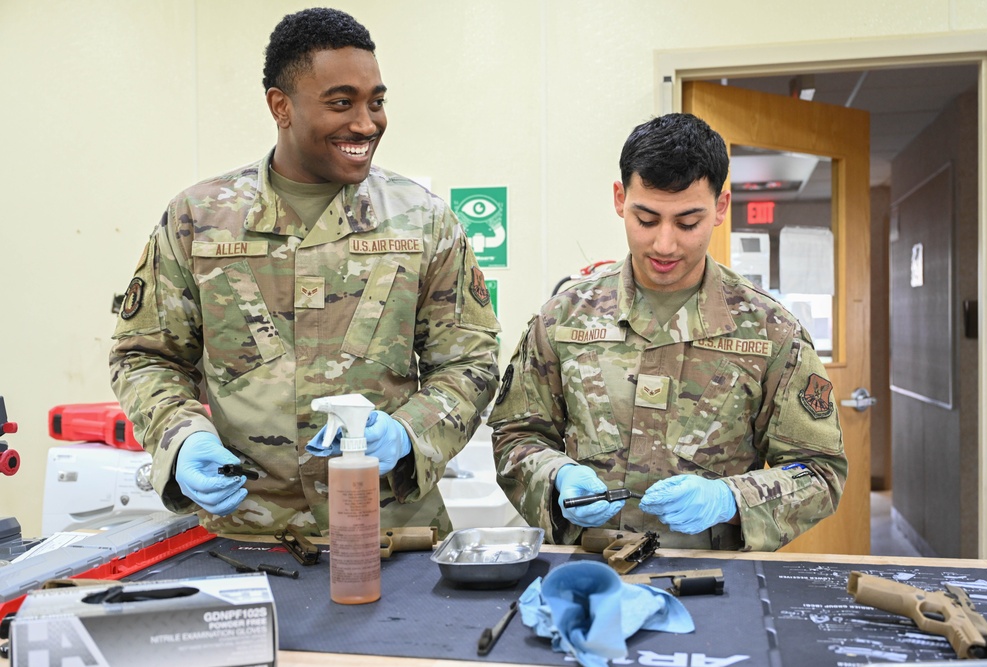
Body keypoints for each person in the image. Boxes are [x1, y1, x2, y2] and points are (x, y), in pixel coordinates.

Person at [110, 7, 500, 536]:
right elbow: (145, 357)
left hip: (393, 534)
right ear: (281, 106)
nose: (366, 123)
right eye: (341, 103)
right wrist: (182, 438)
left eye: (376, 102)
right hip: (249, 534)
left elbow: (470, 363)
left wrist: (409, 432)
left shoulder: (423, 220)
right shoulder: (199, 219)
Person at [488, 113, 847, 551]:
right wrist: (556, 476)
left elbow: (820, 470)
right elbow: (516, 437)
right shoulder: (563, 318)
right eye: (647, 218)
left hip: (714, 578)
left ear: (720, 207)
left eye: (687, 223)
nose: (664, 244)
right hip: (590, 572)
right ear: (620, 199)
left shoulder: (771, 330)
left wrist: (731, 500)